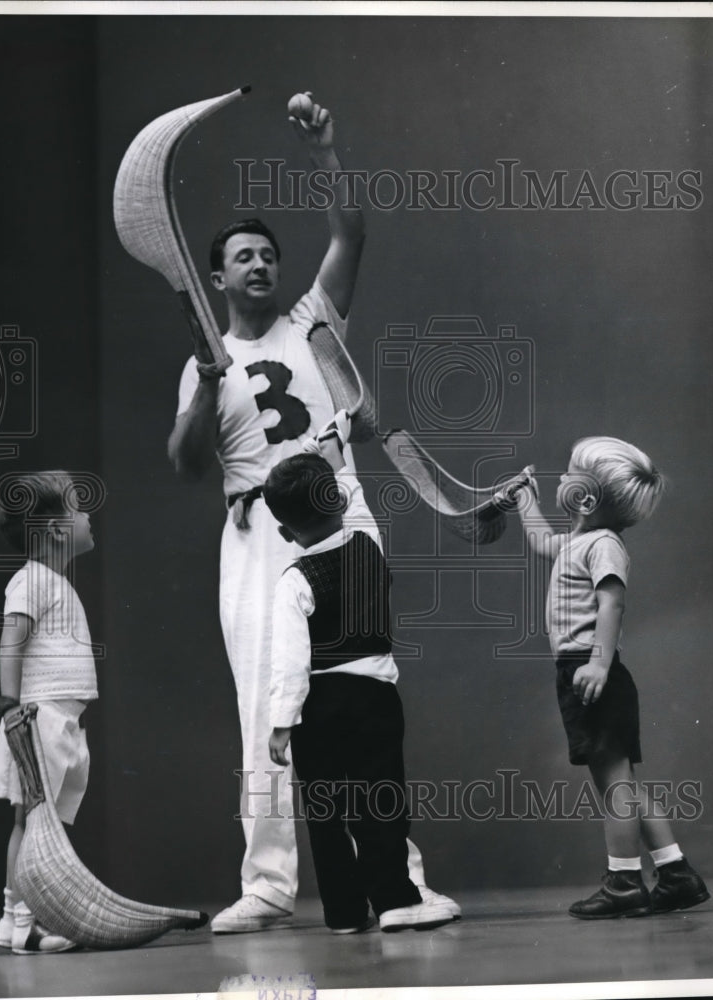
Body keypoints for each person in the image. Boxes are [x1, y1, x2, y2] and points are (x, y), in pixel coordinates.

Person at [168, 93, 459, 933]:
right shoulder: (207, 366)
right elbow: (186, 466)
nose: (260, 265)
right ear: (216, 279)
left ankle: (396, 882)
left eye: (267, 254)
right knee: (266, 701)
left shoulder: (311, 321)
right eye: (243, 257)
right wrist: (207, 380)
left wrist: (326, 150)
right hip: (255, 534)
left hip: (341, 514)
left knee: (362, 694)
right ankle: (266, 884)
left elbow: (350, 234)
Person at [265, 416, 456, 933]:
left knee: (325, 814)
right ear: (342, 505)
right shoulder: (368, 543)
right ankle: (395, 901)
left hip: (315, 712)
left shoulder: (292, 579)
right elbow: (356, 497)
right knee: (381, 804)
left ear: (285, 532)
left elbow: (288, 660)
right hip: (372, 702)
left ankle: (344, 913)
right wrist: (336, 452)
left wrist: (281, 723)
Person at [512, 437, 709, 918]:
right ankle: (676, 874)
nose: (561, 476)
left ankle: (623, 882)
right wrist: (524, 499)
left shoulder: (603, 546)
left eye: (569, 473)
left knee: (615, 786)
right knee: (624, 783)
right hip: (581, 670)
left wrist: (598, 663)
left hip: (591, 670)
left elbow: (611, 603)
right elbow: (541, 542)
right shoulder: (578, 542)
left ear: (583, 499)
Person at [0, 471, 98, 953]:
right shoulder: (31, 581)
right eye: (79, 506)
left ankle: (15, 917)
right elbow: (10, 643)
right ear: (55, 529)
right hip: (38, 718)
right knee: (33, 824)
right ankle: (27, 920)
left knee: (36, 824)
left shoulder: (50, 581)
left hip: (61, 720)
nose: (89, 515)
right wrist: (13, 709)